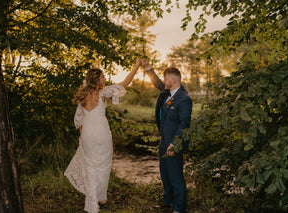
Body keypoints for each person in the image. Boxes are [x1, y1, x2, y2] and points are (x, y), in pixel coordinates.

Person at [64, 59, 143, 213]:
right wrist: (136, 66)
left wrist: (81, 136)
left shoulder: (83, 96)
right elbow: (125, 83)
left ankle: (96, 198)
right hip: (101, 133)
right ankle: (95, 199)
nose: (105, 79)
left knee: (90, 166)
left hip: (87, 134)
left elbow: (79, 119)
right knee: (103, 165)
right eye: (102, 77)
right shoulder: (103, 92)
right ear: (96, 80)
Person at [142, 60, 192, 213]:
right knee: (165, 174)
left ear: (173, 80)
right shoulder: (167, 93)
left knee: (176, 176)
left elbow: (184, 124)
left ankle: (179, 208)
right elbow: (157, 83)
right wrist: (148, 68)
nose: (163, 82)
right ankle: (168, 201)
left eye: (165, 79)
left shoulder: (184, 99)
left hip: (173, 143)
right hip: (164, 140)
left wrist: (174, 143)